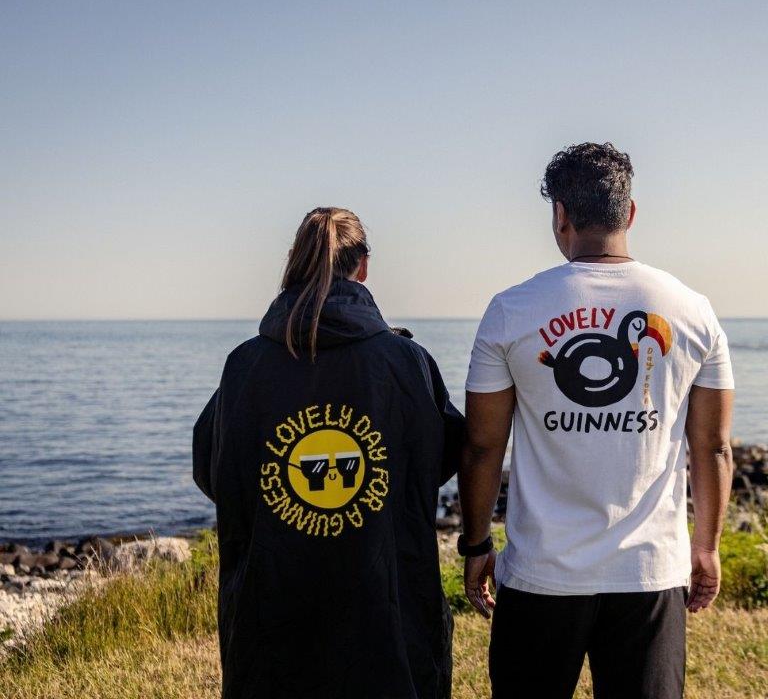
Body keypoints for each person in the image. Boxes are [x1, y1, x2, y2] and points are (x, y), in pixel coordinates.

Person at [459, 143, 734, 699]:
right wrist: (705, 546)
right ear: (630, 213)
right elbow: (713, 448)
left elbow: (482, 447)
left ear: (559, 213)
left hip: (540, 574)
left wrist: (475, 544)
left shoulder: (511, 310)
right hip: (649, 574)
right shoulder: (693, 310)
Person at [193, 207, 462, 699]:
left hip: (273, 612)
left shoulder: (245, 366)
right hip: (388, 616)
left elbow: (213, 471)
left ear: (294, 263)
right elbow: (443, 457)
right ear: (363, 266)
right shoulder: (407, 362)